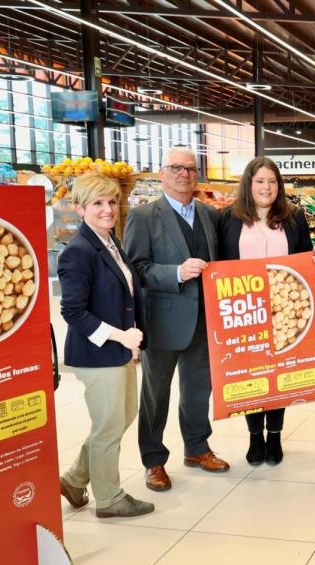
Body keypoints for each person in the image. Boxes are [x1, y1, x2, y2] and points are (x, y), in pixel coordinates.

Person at [123, 146, 227, 493]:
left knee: (198, 390)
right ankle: (153, 460)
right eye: (176, 168)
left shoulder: (209, 215)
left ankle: (197, 448)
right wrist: (177, 273)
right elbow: (136, 269)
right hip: (163, 320)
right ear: (162, 173)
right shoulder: (144, 216)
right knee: (156, 395)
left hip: (203, 320)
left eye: (191, 169)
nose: (185, 174)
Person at [57, 174, 154, 518]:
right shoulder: (79, 252)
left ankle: (73, 479)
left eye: (112, 202)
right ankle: (109, 497)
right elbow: (72, 311)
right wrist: (120, 335)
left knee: (123, 416)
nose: (107, 209)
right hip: (98, 354)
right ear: (80, 208)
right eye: (97, 203)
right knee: (108, 426)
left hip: (119, 351)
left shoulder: (109, 242)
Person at [218, 157, 314, 467]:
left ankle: (274, 435)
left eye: (272, 181)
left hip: (285, 312)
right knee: (250, 373)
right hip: (245, 312)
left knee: (278, 372)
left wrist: (314, 266)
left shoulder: (294, 218)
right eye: (260, 181)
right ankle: (254, 436)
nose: (266, 187)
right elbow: (220, 263)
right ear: (248, 184)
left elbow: (304, 257)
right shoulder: (227, 219)